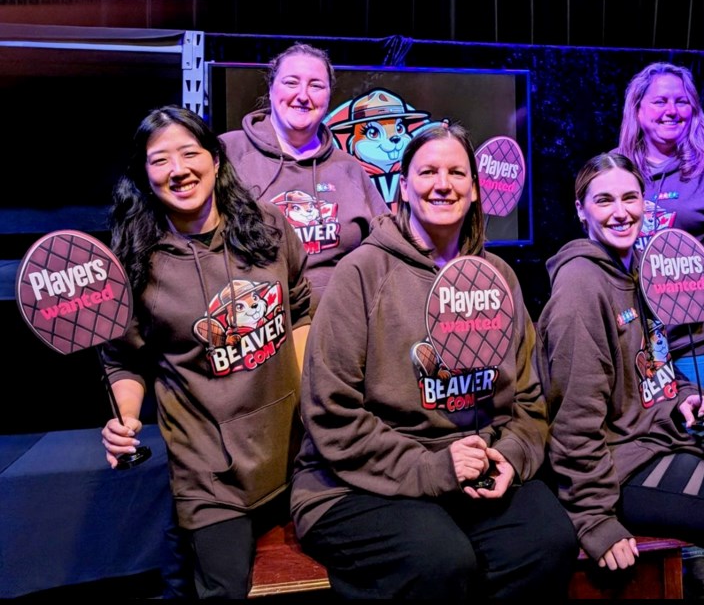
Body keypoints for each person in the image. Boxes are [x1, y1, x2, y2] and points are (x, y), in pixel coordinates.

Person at [290, 123, 578, 599]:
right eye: (427, 172)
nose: (442, 184)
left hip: (473, 466)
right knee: (441, 562)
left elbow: (528, 399)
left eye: (456, 173)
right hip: (357, 481)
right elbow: (330, 411)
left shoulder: (498, 276)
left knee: (547, 542)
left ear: (474, 189)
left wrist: (511, 457)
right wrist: (431, 468)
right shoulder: (361, 271)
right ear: (403, 186)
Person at [539, 152, 704, 600]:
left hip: (655, 446)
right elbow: (573, 419)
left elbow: (656, 363)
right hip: (619, 469)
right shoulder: (581, 286)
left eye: (630, 197)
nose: (621, 212)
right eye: (604, 201)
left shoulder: (637, 268)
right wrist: (594, 520)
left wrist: (685, 396)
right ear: (580, 210)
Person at [99, 106, 312, 599]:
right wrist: (125, 420)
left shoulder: (269, 226)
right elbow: (124, 359)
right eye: (160, 160)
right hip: (209, 474)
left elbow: (301, 308)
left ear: (216, 159)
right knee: (223, 590)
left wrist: (309, 400)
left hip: (294, 453)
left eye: (190, 153)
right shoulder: (135, 262)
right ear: (144, 176)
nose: (178, 169)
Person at [616, 61, 704, 595]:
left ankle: (701, 563)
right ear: (638, 110)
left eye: (681, 101)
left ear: (693, 107)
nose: (671, 110)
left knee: (694, 435)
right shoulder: (622, 168)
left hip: (703, 336)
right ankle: (661, 554)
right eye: (659, 102)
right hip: (638, 336)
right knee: (646, 437)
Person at [220, 42, 389, 310]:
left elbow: (388, 240)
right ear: (271, 88)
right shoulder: (229, 152)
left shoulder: (349, 168)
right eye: (291, 82)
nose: (303, 95)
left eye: (316, 86)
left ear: (329, 96)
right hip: (257, 319)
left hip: (340, 316)